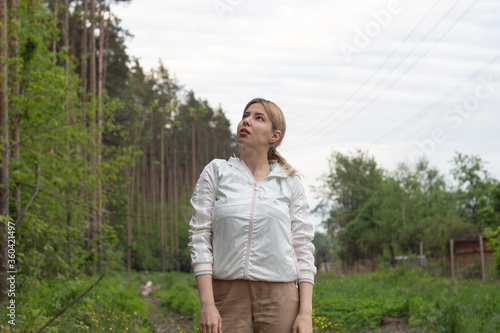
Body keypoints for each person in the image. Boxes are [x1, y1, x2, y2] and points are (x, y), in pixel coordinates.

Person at [188, 98, 316, 333]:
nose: (246, 121)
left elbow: (303, 247)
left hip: (281, 298)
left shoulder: (290, 182)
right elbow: (199, 237)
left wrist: (305, 313)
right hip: (226, 295)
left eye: (258, 118)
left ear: (274, 136)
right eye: (245, 115)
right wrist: (207, 304)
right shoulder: (216, 172)